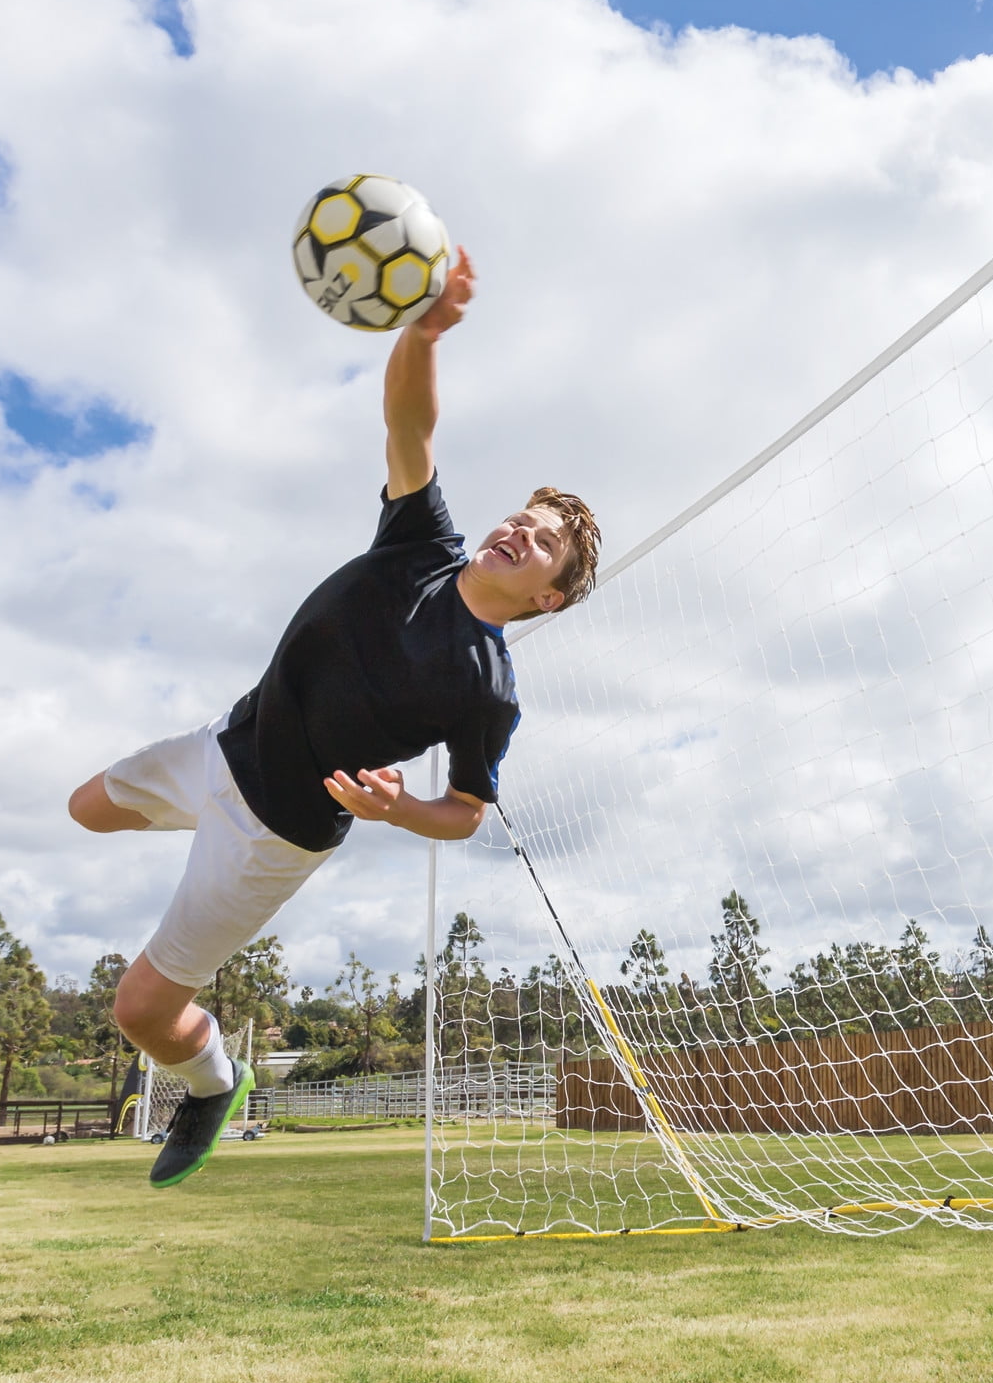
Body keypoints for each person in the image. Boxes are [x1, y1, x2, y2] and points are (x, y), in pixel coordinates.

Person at [68, 250, 601, 1185]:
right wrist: (423, 330)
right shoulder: (422, 543)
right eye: (521, 517)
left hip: (275, 829)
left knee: (141, 1011)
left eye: (543, 541)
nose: (519, 530)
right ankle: (197, 871)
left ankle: (210, 1080)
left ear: (549, 597)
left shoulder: (486, 687)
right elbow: (408, 421)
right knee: (85, 809)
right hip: (224, 745)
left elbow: (468, 811)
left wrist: (398, 808)